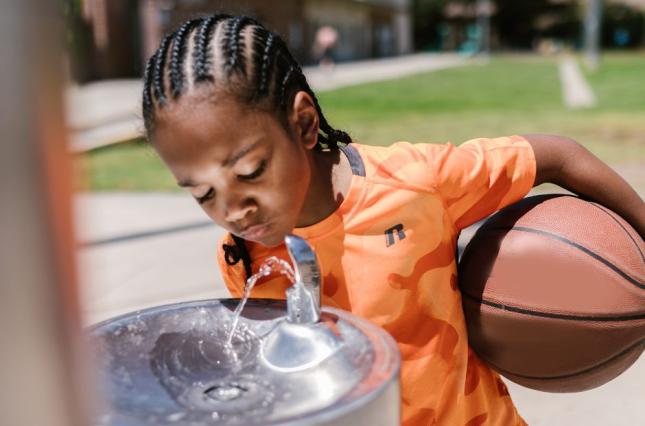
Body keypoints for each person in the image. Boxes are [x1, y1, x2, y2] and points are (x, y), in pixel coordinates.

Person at [141, 14, 645, 426]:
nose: (232, 208)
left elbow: (558, 155)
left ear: (303, 122)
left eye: (251, 171)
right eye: (203, 193)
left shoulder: (414, 183)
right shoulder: (244, 255)